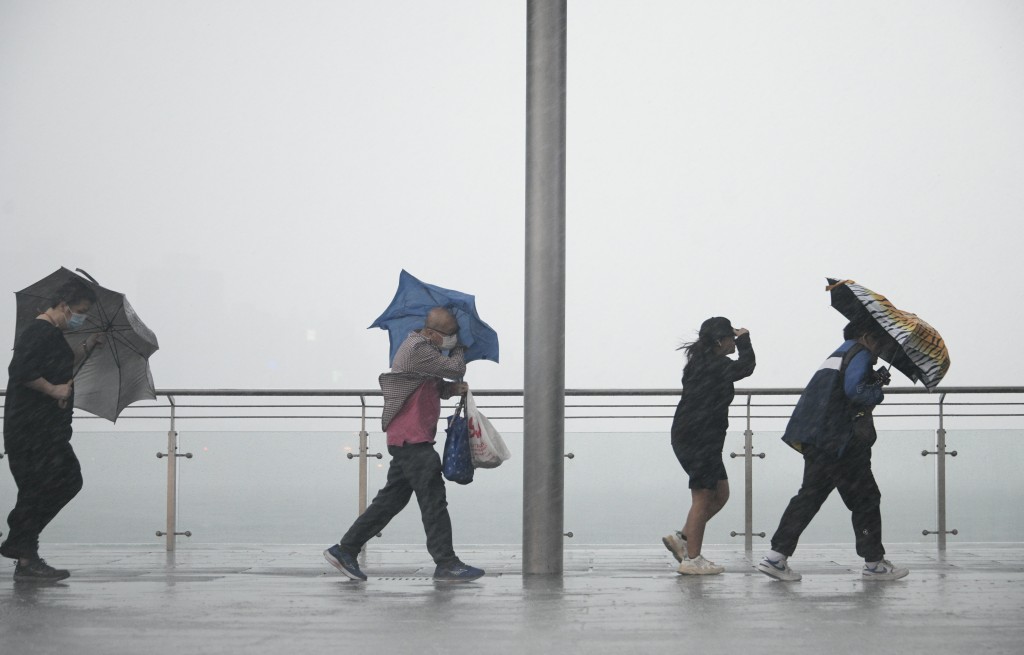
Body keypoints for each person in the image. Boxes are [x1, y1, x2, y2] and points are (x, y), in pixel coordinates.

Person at [324, 307, 485, 582]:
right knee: (434, 500)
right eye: (449, 335)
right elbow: (454, 368)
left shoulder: (423, 350)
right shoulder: (417, 350)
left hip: (409, 437)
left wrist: (449, 389)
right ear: (432, 332)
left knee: (390, 501)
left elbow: (427, 386)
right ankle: (446, 562)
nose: (452, 339)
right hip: (413, 439)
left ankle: (345, 549)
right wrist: (460, 348)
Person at [757, 320, 908, 582]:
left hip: (819, 438)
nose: (882, 347)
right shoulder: (858, 353)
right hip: (841, 441)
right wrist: (875, 390)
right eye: (880, 340)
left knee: (809, 497)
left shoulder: (838, 354)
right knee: (866, 498)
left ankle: (775, 557)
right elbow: (855, 392)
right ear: (866, 337)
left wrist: (872, 379)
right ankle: (874, 564)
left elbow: (839, 391)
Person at [2, 279, 102, 582]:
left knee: (42, 487)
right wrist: (52, 390)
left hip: (41, 428)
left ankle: (23, 553)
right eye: (80, 311)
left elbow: (55, 370)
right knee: (63, 480)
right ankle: (21, 544)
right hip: (33, 430)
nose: (80, 318)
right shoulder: (39, 331)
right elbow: (21, 371)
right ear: (63, 305)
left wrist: (86, 350)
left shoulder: (51, 334)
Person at [664, 317, 755, 575]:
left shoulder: (702, 363)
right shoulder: (715, 365)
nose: (734, 341)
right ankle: (692, 559)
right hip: (699, 438)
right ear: (719, 340)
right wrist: (747, 338)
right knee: (703, 496)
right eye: (731, 337)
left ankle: (682, 538)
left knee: (721, 493)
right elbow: (746, 367)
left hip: (701, 437)